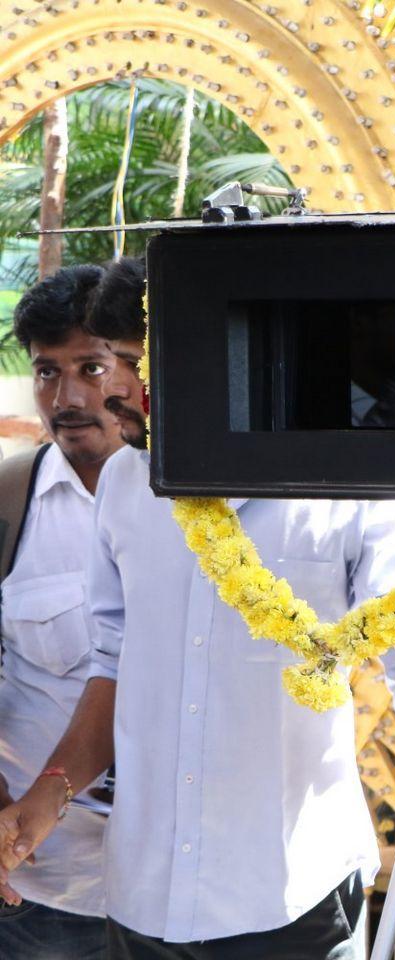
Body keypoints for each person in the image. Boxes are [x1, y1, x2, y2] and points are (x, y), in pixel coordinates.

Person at [0, 258, 395, 957]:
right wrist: (45, 800)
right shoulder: (127, 482)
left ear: (221, 351)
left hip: (291, 898)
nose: (115, 390)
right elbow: (113, 663)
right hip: (140, 901)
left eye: (133, 360)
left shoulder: (354, 481)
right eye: (111, 362)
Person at [0, 264, 123, 959]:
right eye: (48, 372)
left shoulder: (203, 508)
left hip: (192, 891)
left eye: (92, 366)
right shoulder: (7, 504)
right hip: (46, 894)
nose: (68, 396)